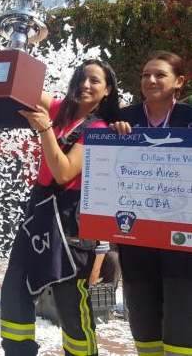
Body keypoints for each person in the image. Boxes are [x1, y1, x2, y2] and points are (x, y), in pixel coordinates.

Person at [0, 59, 120, 356]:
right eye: (81, 78)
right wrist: (19, 43)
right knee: (15, 289)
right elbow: (23, 89)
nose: (85, 85)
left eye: (94, 81)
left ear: (107, 91)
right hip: (38, 216)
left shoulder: (100, 129)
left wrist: (45, 131)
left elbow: (63, 172)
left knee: (70, 302)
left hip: (70, 223)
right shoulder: (60, 109)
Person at [110, 50, 192, 356]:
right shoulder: (123, 120)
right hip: (137, 233)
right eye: (145, 74)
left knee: (182, 311)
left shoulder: (189, 119)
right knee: (142, 310)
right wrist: (113, 136)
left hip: (182, 237)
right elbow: (108, 173)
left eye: (159, 74)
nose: (151, 80)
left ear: (179, 82)